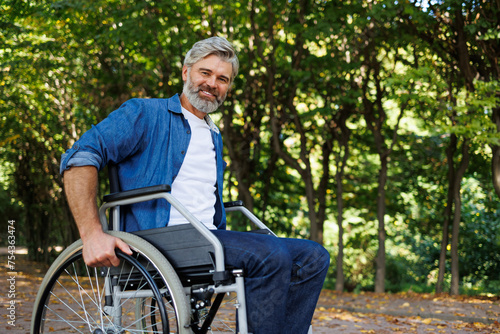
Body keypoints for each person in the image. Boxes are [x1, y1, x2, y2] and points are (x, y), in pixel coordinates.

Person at [60, 36, 330, 334]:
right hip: (157, 239)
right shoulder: (144, 114)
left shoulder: (214, 135)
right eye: (205, 73)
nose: (213, 83)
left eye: (222, 78)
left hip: (206, 238)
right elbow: (80, 158)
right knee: (269, 253)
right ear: (186, 72)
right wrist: (92, 235)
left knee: (313, 256)